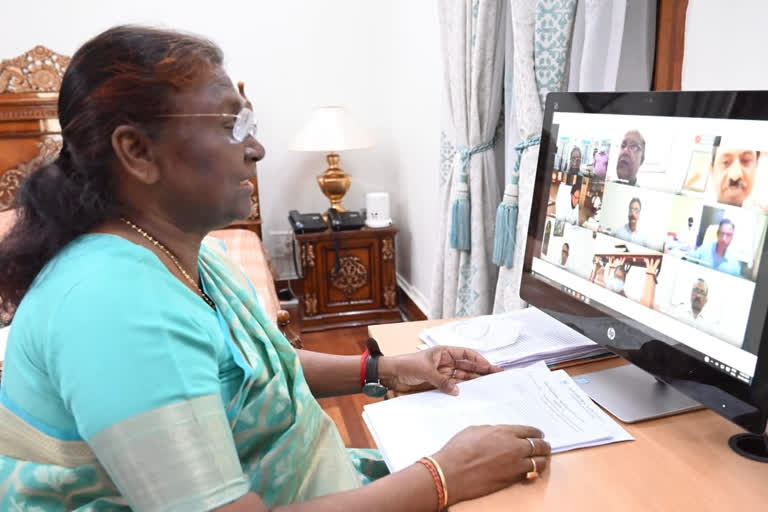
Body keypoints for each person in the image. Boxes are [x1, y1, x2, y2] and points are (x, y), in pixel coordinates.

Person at [0, 26, 551, 512]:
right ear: (137, 151)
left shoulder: (179, 251)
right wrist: (445, 476)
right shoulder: (116, 307)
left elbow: (253, 367)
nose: (258, 148)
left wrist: (388, 369)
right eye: (229, 125)